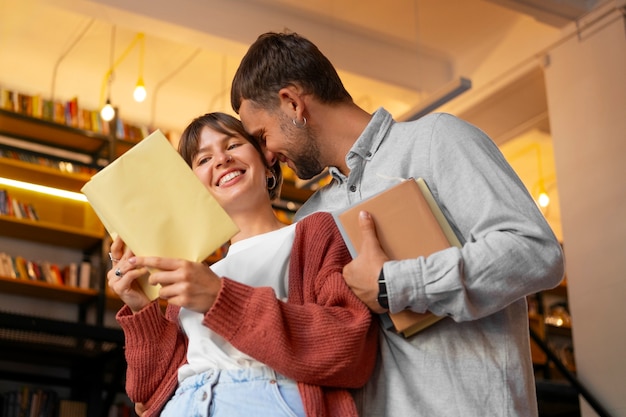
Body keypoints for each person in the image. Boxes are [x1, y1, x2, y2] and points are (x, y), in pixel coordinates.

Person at [230, 32, 565, 416]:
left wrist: (394, 284)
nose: (268, 156)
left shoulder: (435, 141)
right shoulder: (311, 219)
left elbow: (536, 251)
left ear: (292, 103)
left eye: (262, 136)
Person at [107, 112, 378, 417]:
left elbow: (348, 349)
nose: (221, 160)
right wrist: (141, 309)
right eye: (203, 160)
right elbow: (148, 395)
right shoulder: (194, 276)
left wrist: (219, 299)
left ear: (267, 161)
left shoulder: (312, 235)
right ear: (193, 190)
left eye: (233, 145)